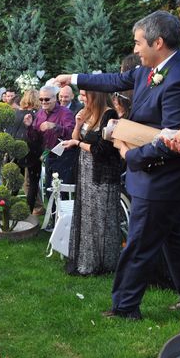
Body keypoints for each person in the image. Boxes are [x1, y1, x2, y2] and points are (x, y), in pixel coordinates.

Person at [55, 10, 180, 320]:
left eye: (138, 43)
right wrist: (73, 78)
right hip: (157, 182)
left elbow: (173, 142)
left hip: (160, 182)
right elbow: (112, 79)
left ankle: (125, 308)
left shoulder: (179, 79)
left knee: (138, 246)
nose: (135, 50)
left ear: (158, 42)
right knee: (176, 243)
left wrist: (130, 156)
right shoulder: (144, 71)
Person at [61, 91, 122, 275]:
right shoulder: (85, 111)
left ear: (95, 95)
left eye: (84, 95)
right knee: (87, 215)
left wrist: (78, 144)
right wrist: (78, 124)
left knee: (102, 216)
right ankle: (87, 259)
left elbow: (102, 149)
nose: (81, 98)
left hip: (103, 172)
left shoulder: (109, 114)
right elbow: (77, 137)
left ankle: (105, 261)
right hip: (85, 170)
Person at [24, 85, 76, 198]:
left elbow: (71, 133)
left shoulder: (65, 112)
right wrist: (29, 127)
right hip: (49, 156)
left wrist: (54, 126)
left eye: (46, 99)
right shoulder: (39, 114)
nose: (43, 102)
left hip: (64, 157)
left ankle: (63, 216)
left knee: (62, 192)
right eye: (41, 99)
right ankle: (53, 215)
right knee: (49, 191)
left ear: (54, 98)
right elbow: (35, 137)